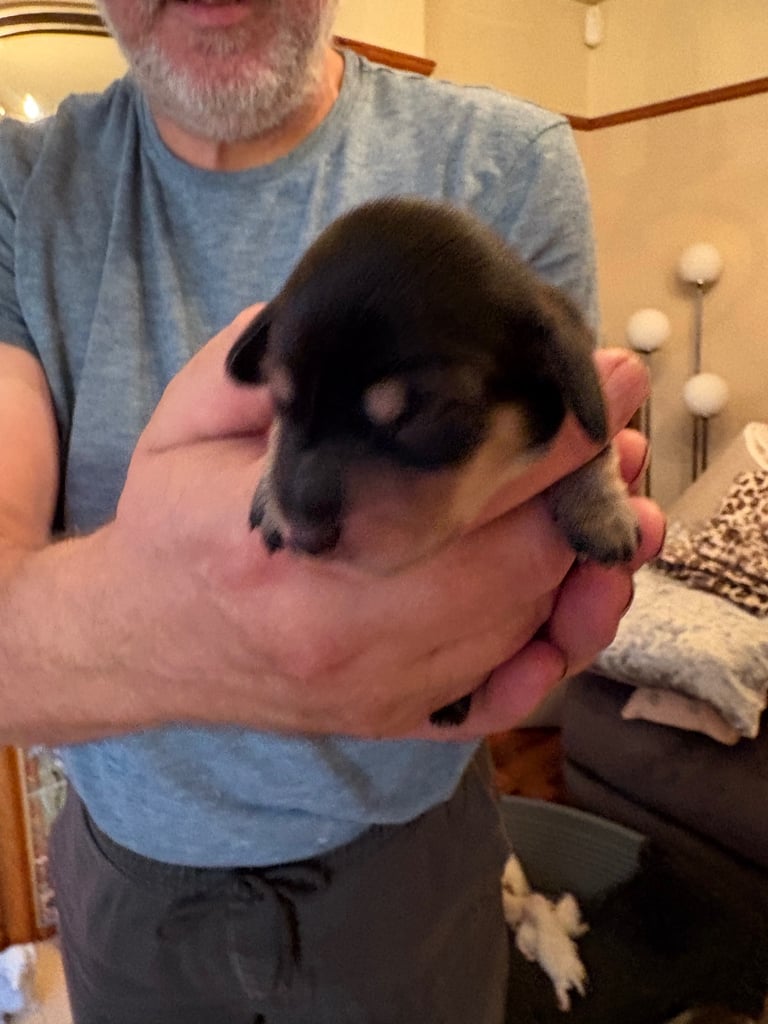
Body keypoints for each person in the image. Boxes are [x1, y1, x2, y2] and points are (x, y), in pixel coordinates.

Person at [0, 2, 664, 1021]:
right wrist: (191, 627)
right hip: (129, 891)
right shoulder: (18, 188)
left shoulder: (504, 162)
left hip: (408, 871)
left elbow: (556, 488)